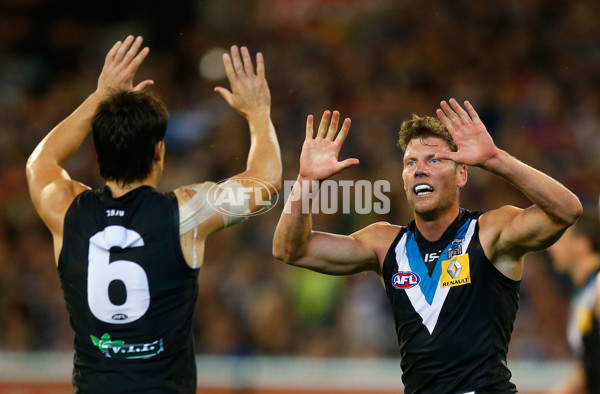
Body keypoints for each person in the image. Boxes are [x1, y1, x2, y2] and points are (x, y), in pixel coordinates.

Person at [26, 35, 281, 393]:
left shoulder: (64, 208)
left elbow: (41, 162)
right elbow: (266, 181)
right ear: (159, 152)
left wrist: (100, 96)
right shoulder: (186, 214)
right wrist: (258, 113)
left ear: (96, 156)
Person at [272, 100, 582, 393]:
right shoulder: (385, 244)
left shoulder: (489, 232)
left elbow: (566, 211)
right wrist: (305, 181)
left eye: (434, 160)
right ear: (404, 178)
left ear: (462, 173)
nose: (420, 169)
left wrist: (494, 159)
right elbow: (291, 249)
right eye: (411, 163)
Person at [548, 212, 600, 394]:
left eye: (560, 239)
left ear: (582, 244)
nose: (551, 248)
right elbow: (589, 365)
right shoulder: (585, 291)